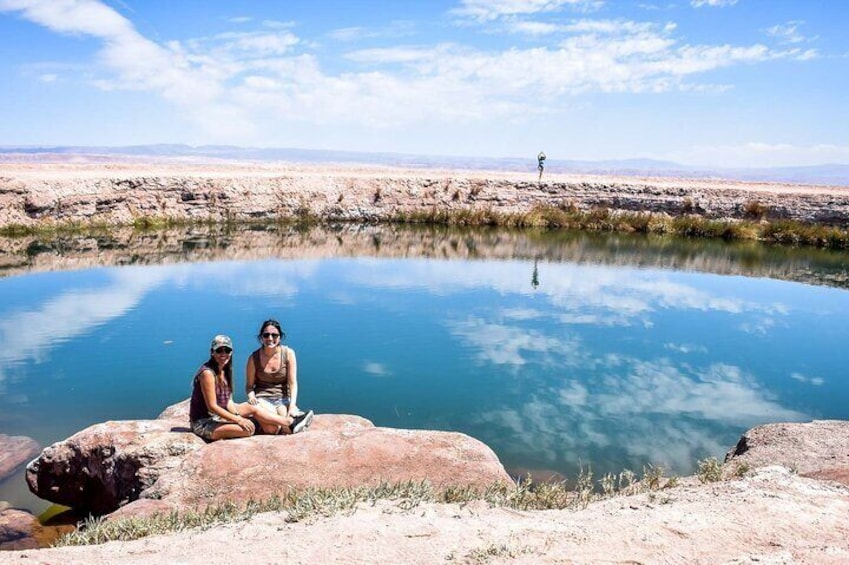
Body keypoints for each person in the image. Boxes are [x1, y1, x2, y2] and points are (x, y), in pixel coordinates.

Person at [189, 334, 313, 441]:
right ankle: (288, 423)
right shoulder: (208, 373)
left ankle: (289, 423)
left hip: (219, 416)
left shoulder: (224, 370)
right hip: (204, 423)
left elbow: (228, 402)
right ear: (212, 352)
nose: (223, 354)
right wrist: (239, 420)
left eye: (227, 350)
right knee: (248, 429)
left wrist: (238, 415)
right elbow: (213, 407)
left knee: (253, 408)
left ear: (231, 352)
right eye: (219, 350)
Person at [245, 319, 313, 429]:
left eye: (274, 335)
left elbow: (292, 383)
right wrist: (251, 396)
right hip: (263, 398)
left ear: (280, 337)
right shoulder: (253, 358)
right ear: (261, 337)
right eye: (266, 335)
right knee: (273, 429)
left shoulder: (288, 354)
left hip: (283, 398)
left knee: (286, 429)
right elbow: (249, 386)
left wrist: (292, 405)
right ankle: (291, 422)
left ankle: (290, 422)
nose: (270, 338)